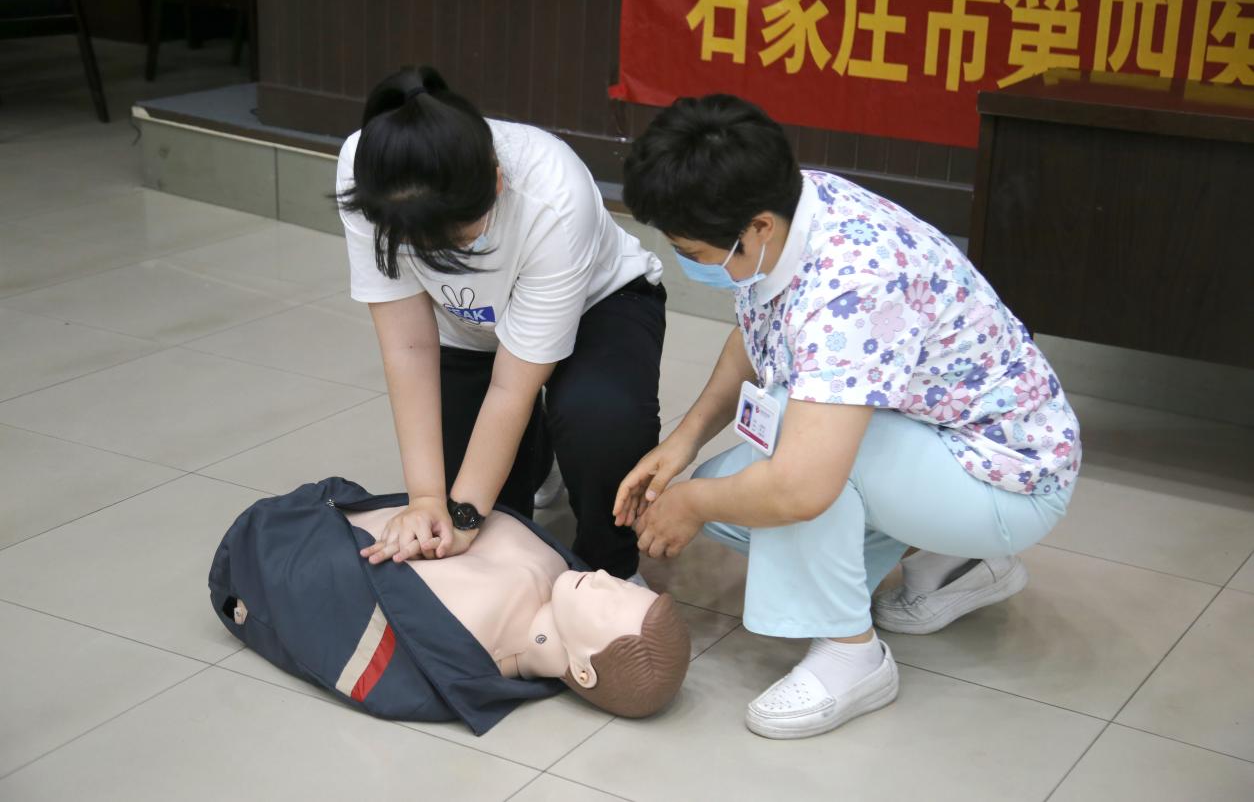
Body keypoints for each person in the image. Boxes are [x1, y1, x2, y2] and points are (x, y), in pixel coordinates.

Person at [613, 95, 1081, 740]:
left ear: (757, 228)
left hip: (1005, 478)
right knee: (737, 498)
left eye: (692, 249)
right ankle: (956, 564)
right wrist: (684, 442)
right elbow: (758, 331)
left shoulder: (853, 285)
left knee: (786, 467)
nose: (689, 262)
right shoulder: (792, 205)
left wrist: (689, 503)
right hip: (938, 440)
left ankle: (852, 655)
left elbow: (804, 487)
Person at [335, 66, 666, 581]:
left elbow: (513, 385)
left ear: (496, 180)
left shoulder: (554, 195)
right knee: (481, 512)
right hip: (468, 324)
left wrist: (464, 516)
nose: (438, 256)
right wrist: (427, 500)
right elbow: (408, 348)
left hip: (598, 306)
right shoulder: (372, 173)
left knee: (600, 420)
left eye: (455, 240)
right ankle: (542, 459)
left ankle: (612, 569)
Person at [213, 478, 690, 728]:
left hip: (281, 536)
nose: (604, 578)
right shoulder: (564, 576)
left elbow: (329, 605)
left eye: (610, 605)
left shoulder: (458, 649)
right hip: (327, 514)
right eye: (624, 586)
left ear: (583, 672)